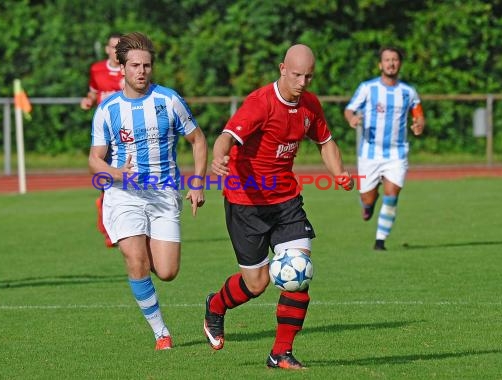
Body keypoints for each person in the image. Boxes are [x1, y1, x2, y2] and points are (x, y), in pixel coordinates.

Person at [204, 44, 354, 370]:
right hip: (246, 203)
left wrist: (339, 172)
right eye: (297, 74)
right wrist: (219, 156)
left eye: (308, 76)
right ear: (282, 68)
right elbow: (226, 136)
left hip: (286, 202)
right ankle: (216, 305)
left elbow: (325, 141)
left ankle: (280, 352)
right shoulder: (260, 104)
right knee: (256, 284)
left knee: (298, 272)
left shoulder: (310, 105)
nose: (302, 82)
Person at [88, 32, 207, 350]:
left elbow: (198, 140)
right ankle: (161, 333)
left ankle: (149, 258)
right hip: (123, 194)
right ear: (122, 66)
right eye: (135, 65)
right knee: (135, 259)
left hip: (164, 194)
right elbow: (94, 159)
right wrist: (116, 174)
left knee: (167, 271)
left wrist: (197, 182)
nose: (141, 71)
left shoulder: (168, 100)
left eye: (147, 65)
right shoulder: (108, 109)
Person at [344, 46, 425, 251]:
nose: (391, 63)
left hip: (397, 153)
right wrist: (352, 118)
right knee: (367, 197)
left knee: (392, 194)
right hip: (370, 153)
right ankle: (369, 203)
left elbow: (418, 114)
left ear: (400, 64)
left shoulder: (408, 92)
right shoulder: (367, 88)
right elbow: (350, 109)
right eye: (387, 60)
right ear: (381, 64)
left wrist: (419, 124)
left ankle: (380, 241)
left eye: (395, 60)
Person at [81, 33, 125, 248]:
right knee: (106, 181)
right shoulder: (96, 69)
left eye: (120, 47)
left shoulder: (131, 69)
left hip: (127, 132)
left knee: (127, 180)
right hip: (104, 133)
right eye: (113, 47)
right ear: (107, 49)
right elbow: (93, 92)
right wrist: (88, 101)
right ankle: (108, 230)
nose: (116, 51)